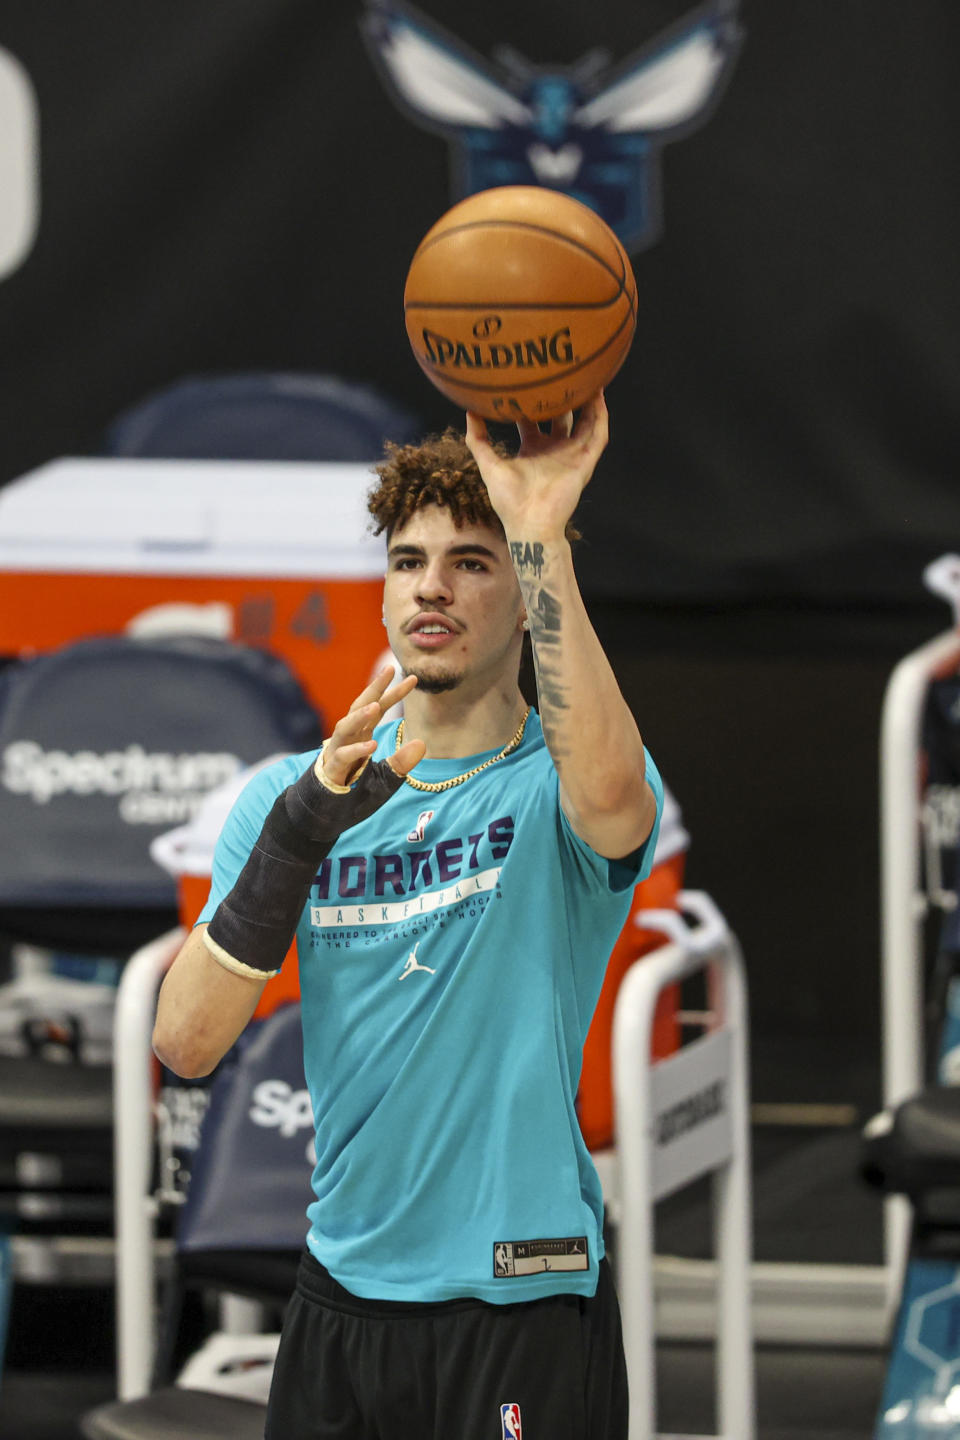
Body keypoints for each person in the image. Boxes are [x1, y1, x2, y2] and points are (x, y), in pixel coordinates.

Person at [152, 389, 663, 1438]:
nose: (431, 586)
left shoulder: (558, 785)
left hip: (522, 1297)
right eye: (407, 561)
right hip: (343, 1295)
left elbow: (615, 801)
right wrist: (298, 835)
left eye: (471, 563)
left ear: (519, 595)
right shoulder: (298, 796)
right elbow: (186, 1045)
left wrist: (540, 539)